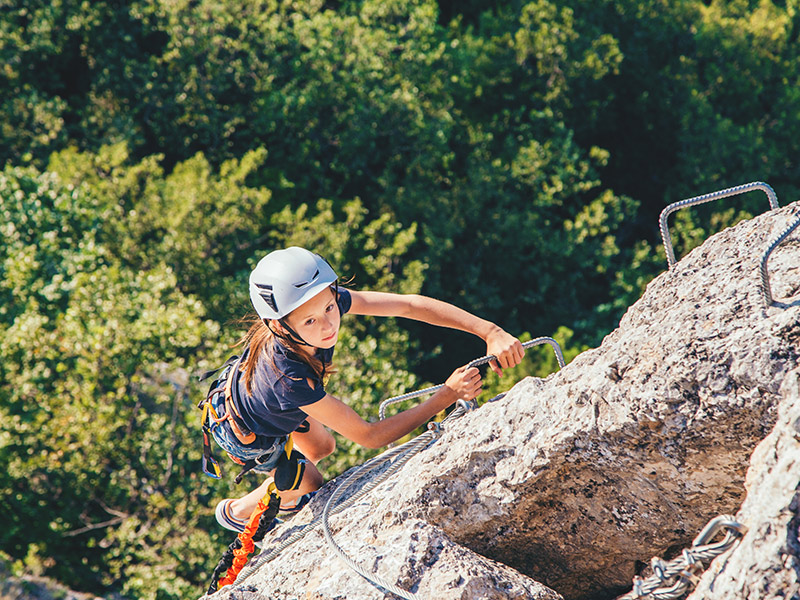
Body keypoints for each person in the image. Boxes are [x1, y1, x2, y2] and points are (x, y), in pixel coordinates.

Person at [212, 246, 524, 533]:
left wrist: (489, 331)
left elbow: (408, 305)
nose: (328, 326)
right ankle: (238, 511)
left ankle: (281, 489)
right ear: (279, 326)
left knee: (322, 449)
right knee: (311, 484)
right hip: (248, 432)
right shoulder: (288, 380)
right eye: (310, 321)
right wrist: (447, 395)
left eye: (330, 309)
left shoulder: (315, 303)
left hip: (258, 399)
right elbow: (369, 436)